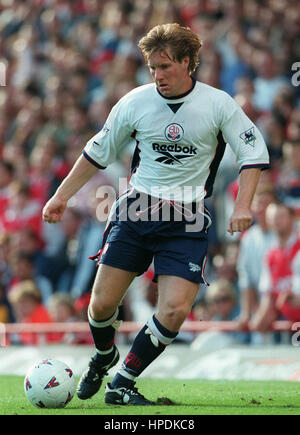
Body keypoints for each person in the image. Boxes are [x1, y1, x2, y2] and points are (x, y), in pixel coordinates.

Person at [42, 23, 269, 406]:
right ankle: (104, 356)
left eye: (165, 66)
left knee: (176, 308)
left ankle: (123, 381)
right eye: (152, 68)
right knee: (100, 306)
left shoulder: (218, 104)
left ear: (187, 62)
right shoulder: (134, 102)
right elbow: (96, 152)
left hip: (188, 217)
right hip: (137, 210)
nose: (158, 75)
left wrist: (244, 205)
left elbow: (253, 153)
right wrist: (60, 197)